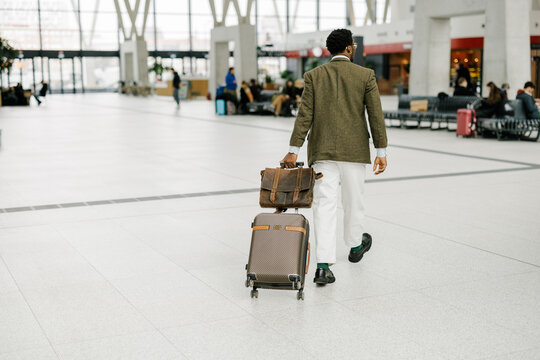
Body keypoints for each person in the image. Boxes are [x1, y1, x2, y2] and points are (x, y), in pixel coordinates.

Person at [281, 28, 388, 285]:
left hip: (323, 151)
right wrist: (381, 151)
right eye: (354, 44)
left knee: (325, 205)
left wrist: (293, 150)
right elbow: (375, 115)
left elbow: (304, 115)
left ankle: (323, 266)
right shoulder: (365, 76)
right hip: (355, 152)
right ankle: (354, 247)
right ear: (349, 48)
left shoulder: (314, 76)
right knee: (353, 202)